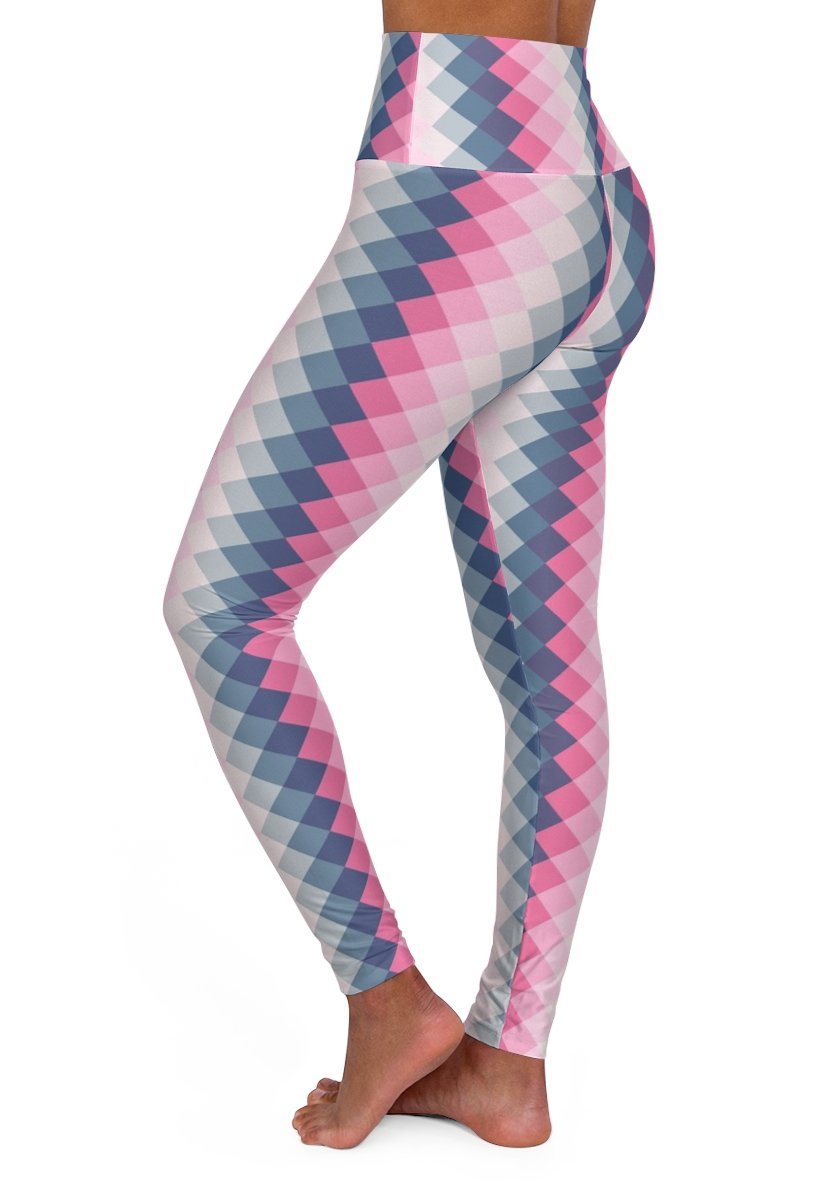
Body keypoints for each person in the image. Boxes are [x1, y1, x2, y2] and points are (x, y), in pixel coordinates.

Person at [162, 0, 655, 1149]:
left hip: (460, 186)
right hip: (584, 183)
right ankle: (508, 1067)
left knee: (220, 606)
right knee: (545, 663)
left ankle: (387, 997)